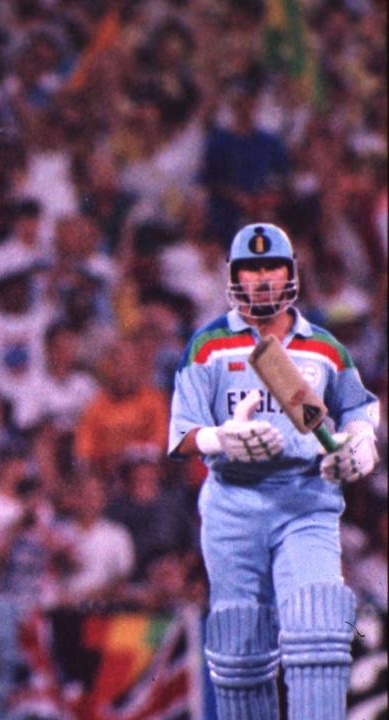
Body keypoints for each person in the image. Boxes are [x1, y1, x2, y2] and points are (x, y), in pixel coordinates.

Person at [168, 223, 380, 720]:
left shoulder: (325, 347)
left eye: (272, 268)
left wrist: (362, 442)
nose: (262, 280)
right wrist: (222, 438)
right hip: (232, 505)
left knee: (318, 635)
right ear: (233, 278)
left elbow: (358, 408)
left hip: (306, 499)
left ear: (291, 274)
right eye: (251, 270)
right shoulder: (208, 346)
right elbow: (182, 435)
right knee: (240, 654)